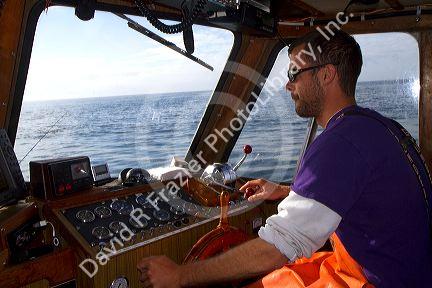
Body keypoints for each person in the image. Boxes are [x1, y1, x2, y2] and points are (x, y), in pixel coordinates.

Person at [137, 30, 432, 287]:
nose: (288, 85)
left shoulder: (338, 144)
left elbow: (277, 248)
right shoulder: (379, 127)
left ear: (326, 74)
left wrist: (179, 275)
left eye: (294, 74)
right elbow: (360, 195)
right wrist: (285, 192)